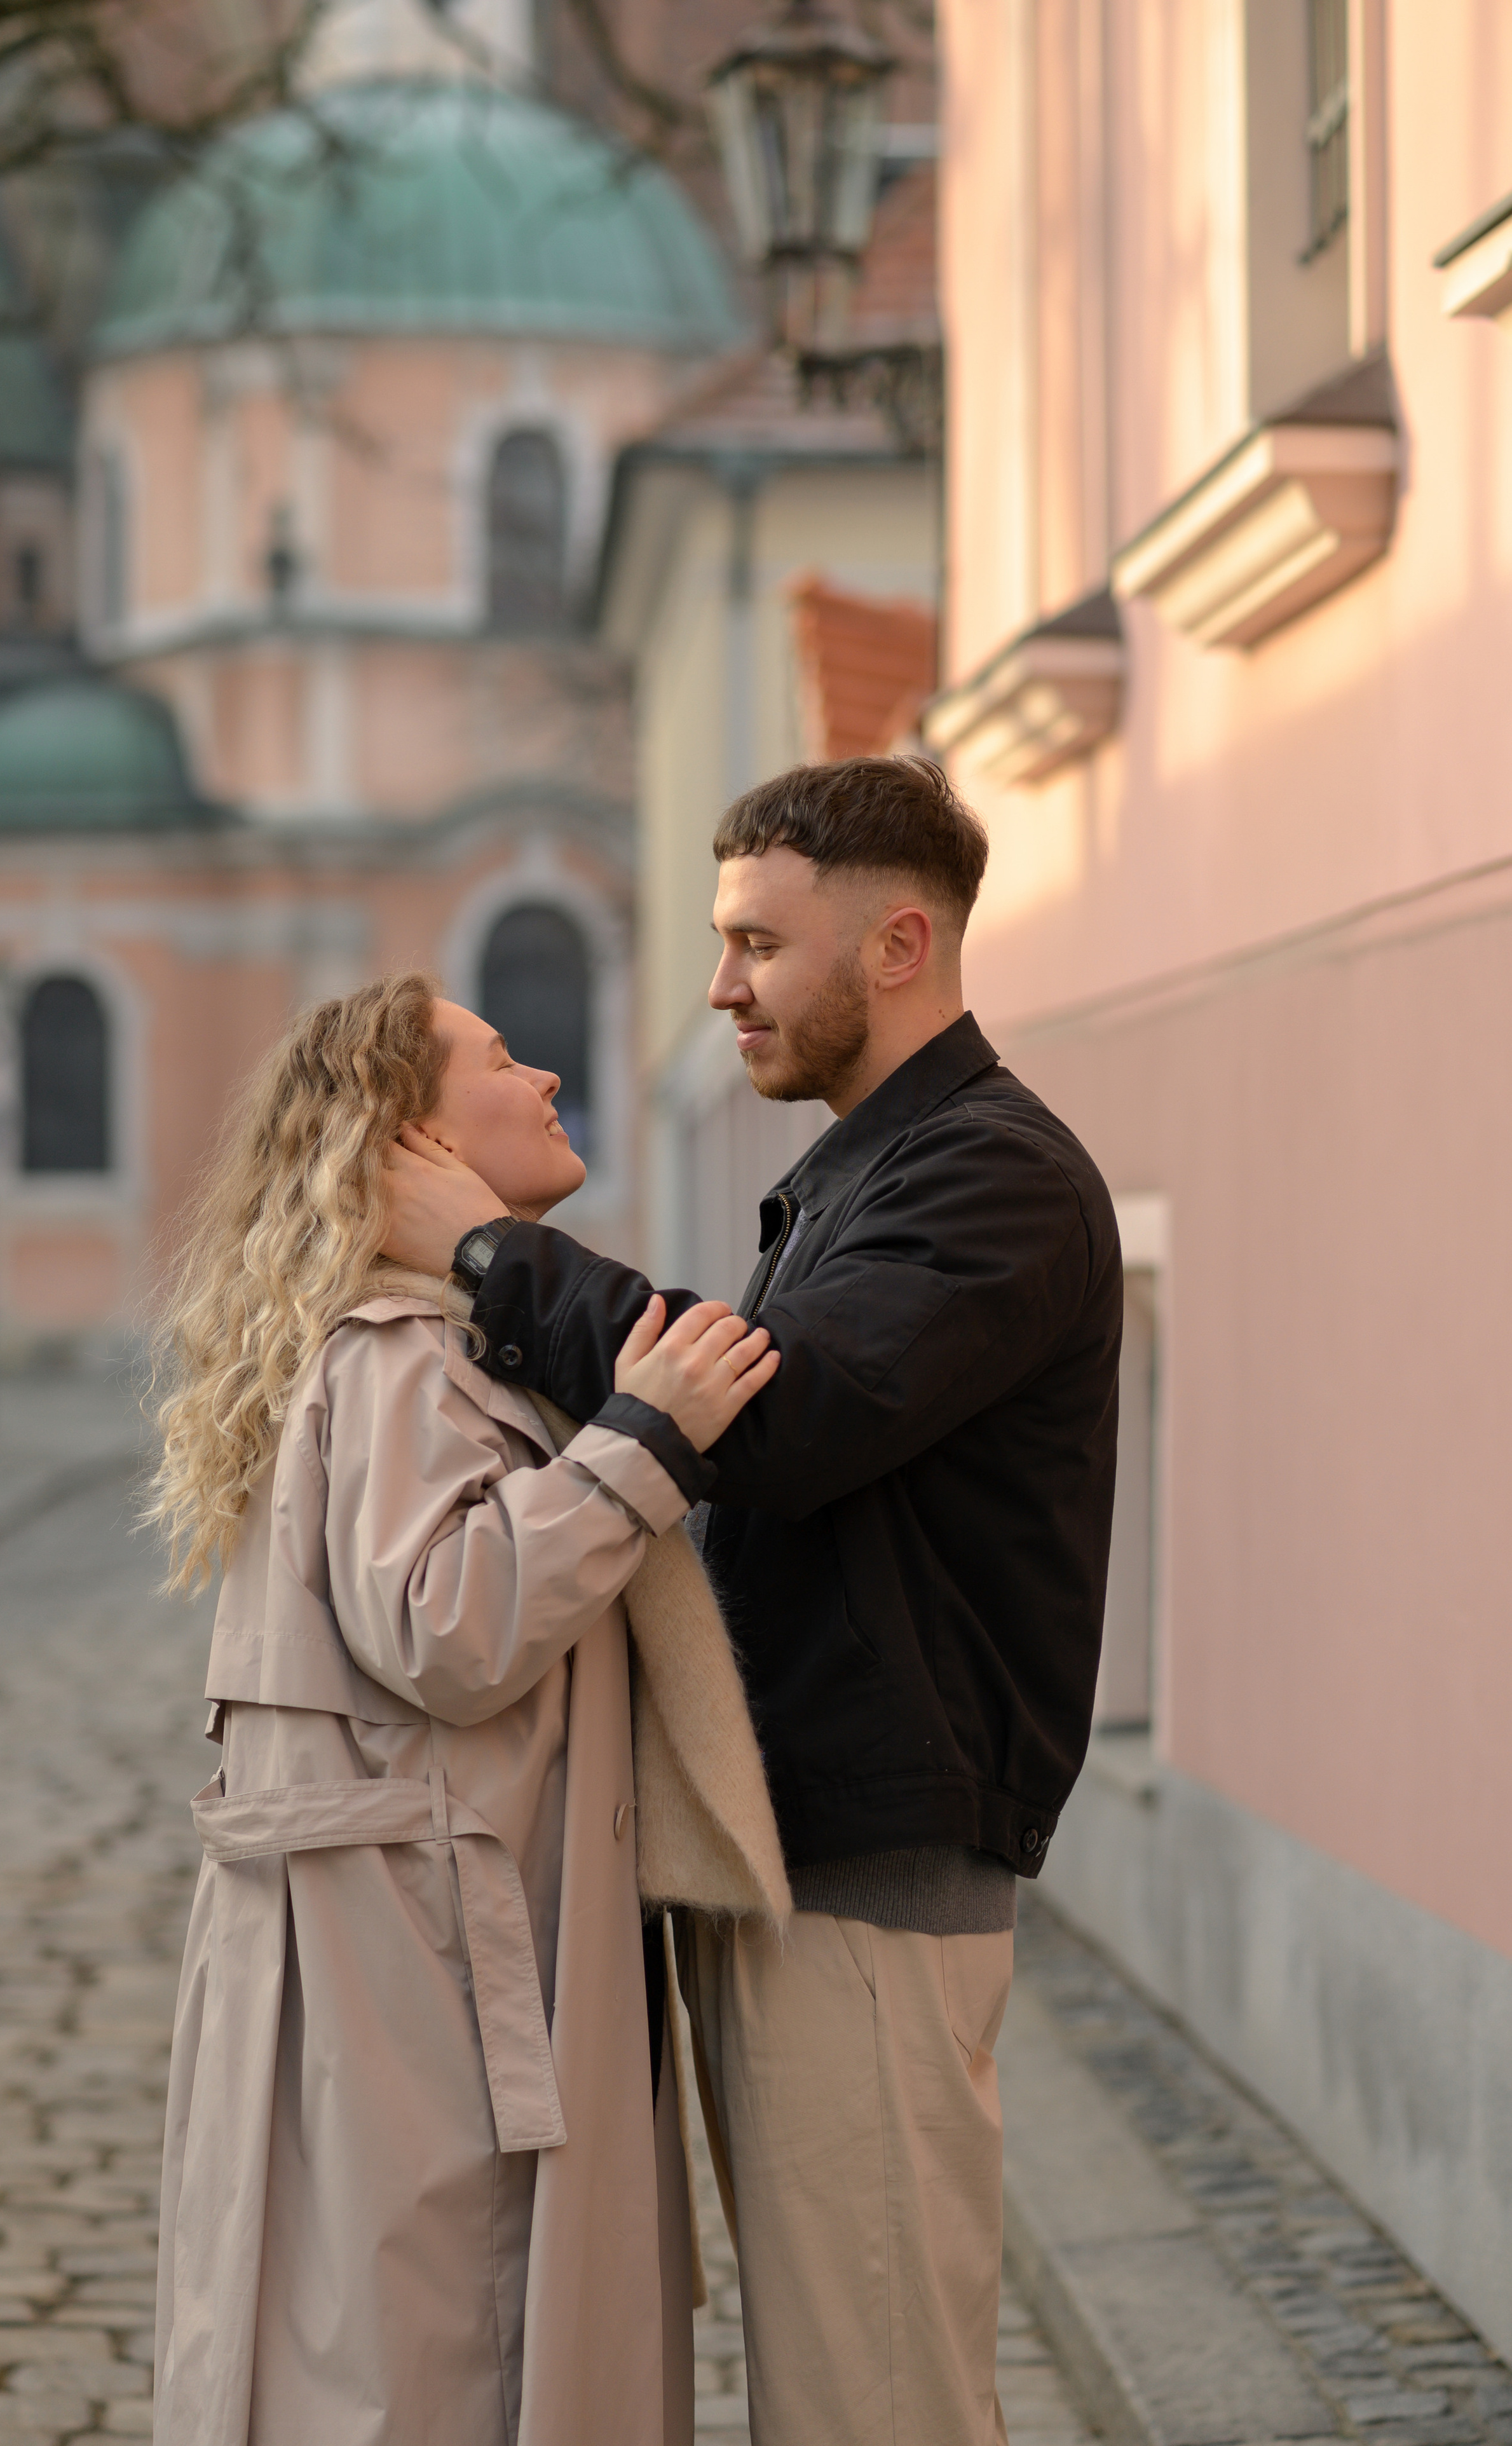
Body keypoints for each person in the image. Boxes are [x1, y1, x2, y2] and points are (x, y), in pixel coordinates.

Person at [380, 758, 1124, 2446]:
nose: (718, 987)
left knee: (876, 2402)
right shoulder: (879, 1168)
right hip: (810, 1854)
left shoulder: (989, 1176)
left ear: (898, 945)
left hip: (869, 1874)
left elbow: (775, 1422)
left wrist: (492, 1255)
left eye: (754, 945)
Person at [144, 971, 780, 2446]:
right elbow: (444, 1622)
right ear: (404, 1139)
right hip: (424, 1990)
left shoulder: (400, 1343)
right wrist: (644, 1443)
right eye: (499, 1057)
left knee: (397, 2353)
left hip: (403, 1967)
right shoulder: (398, 1355)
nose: (546, 1074)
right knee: (435, 2365)